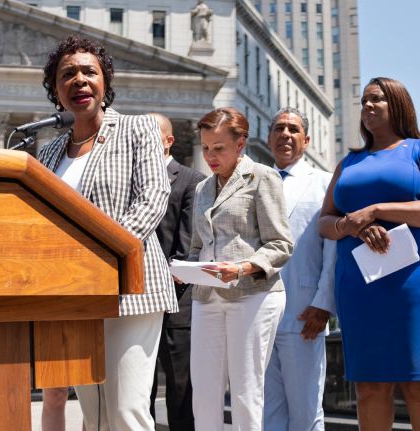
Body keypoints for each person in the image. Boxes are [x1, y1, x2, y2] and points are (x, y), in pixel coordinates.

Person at [37, 34, 178, 431]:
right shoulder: (48, 153)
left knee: (125, 412)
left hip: (130, 287)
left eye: (88, 72)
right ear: (56, 90)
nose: (79, 80)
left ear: (105, 82)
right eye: (67, 75)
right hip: (75, 294)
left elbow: (152, 199)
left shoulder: (138, 130)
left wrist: (101, 253)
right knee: (94, 417)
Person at [318, 77, 420, 430]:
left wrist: (377, 210)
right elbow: (325, 222)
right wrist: (353, 226)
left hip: (415, 281)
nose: (368, 106)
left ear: (398, 104)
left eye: (377, 99)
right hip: (360, 284)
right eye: (363, 101)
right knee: (369, 386)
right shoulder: (349, 162)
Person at [187, 107, 293, 431]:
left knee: (247, 392)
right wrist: (184, 269)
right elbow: (196, 247)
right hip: (206, 296)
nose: (210, 156)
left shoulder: (262, 177)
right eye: (205, 148)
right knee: (203, 395)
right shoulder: (202, 188)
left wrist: (243, 268)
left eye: (218, 148)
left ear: (240, 143)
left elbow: (281, 244)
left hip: (253, 295)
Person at [263, 108, 337, 431]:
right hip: (259, 315)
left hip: (304, 313)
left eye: (293, 129)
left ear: (306, 140)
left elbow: (333, 250)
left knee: (306, 412)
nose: (285, 134)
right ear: (269, 139)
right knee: (268, 413)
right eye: (279, 128)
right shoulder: (254, 181)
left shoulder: (324, 183)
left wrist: (324, 302)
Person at [148, 113, 205, 431]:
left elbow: (186, 243)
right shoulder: (132, 179)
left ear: (169, 140)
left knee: (181, 389)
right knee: (140, 389)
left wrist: (157, 275)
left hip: (177, 300)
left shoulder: (190, 180)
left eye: (150, 135)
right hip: (137, 299)